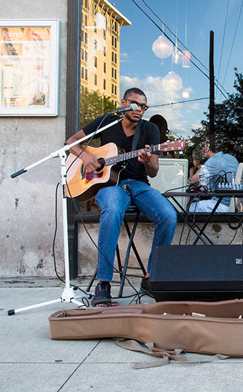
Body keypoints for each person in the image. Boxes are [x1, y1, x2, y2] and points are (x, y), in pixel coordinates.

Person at [66, 87, 177, 305]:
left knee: (168, 215)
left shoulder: (150, 130)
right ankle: (104, 283)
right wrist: (87, 158)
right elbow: (72, 142)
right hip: (110, 185)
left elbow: (153, 171)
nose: (140, 110)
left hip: (138, 185)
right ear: (123, 103)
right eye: (136, 105)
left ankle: (152, 276)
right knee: (113, 210)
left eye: (144, 106)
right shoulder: (107, 122)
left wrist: (147, 161)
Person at [188, 141, 239, 212]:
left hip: (222, 204)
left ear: (208, 149)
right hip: (236, 204)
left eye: (203, 148)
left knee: (192, 207)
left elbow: (193, 180)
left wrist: (194, 167)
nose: (202, 151)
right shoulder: (232, 158)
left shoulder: (212, 161)